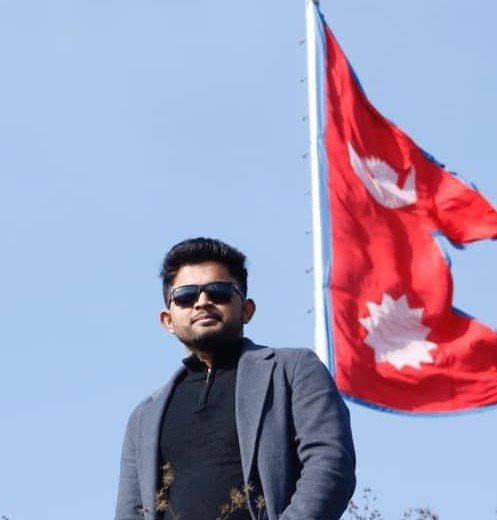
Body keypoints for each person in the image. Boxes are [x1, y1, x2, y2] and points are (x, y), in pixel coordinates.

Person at [115, 237, 356, 520]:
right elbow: (132, 511)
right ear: (168, 320)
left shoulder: (293, 371)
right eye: (186, 296)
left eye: (219, 292)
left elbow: (329, 464)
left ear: (246, 309)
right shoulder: (145, 417)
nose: (202, 302)